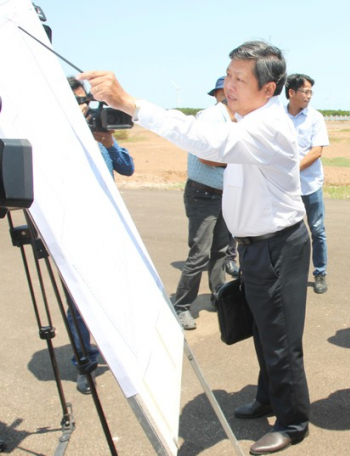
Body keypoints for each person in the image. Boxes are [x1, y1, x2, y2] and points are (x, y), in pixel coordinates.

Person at [79, 41, 311, 455]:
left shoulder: (268, 126)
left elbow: (204, 141)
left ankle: (293, 422)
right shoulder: (246, 122)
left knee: (279, 336)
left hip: (277, 247)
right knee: (262, 328)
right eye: (228, 75)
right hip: (257, 246)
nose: (230, 85)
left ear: (269, 88)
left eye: (241, 79)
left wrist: (130, 103)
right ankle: (269, 397)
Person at [67, 76, 134, 395]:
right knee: (78, 302)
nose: (87, 107)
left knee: (116, 293)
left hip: (109, 228)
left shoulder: (100, 133)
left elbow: (128, 168)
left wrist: (109, 142)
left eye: (87, 101)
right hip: (74, 229)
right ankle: (85, 364)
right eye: (80, 101)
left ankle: (121, 352)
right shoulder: (60, 136)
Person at [173, 76, 239, 330]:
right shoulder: (212, 117)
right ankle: (181, 306)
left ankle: (219, 295)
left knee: (220, 250)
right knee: (199, 253)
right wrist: (239, 162)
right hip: (204, 194)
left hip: (222, 194)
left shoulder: (233, 119)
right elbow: (208, 158)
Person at [285, 74, 330, 294]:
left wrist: (291, 171)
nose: (309, 96)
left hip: (309, 185)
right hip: (284, 187)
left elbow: (317, 151)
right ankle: (289, 273)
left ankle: (320, 272)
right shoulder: (277, 117)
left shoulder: (315, 118)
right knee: (286, 232)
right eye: (305, 91)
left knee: (317, 230)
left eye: (311, 91)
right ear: (291, 92)